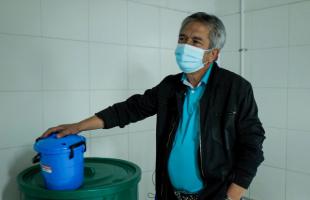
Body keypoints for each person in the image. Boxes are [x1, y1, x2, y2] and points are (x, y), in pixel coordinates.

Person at [39, 12, 265, 200]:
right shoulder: (170, 86)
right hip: (169, 194)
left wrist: (232, 195)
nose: (185, 46)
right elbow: (130, 109)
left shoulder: (236, 88)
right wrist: (78, 126)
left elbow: (252, 145)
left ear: (213, 53)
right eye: (182, 38)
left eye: (195, 41)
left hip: (215, 195)